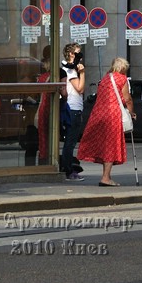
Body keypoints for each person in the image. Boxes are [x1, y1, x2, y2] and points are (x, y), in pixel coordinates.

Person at [77, 56, 134, 187]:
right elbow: (127, 99)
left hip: (99, 113)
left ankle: (106, 176)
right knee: (111, 146)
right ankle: (106, 177)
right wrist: (131, 113)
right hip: (112, 115)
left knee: (104, 145)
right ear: (122, 68)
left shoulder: (105, 78)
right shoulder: (122, 78)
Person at [60, 43, 86, 181]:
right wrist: (82, 73)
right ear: (71, 54)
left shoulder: (69, 68)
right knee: (70, 142)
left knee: (69, 142)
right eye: (77, 53)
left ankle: (68, 169)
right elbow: (80, 88)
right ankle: (68, 171)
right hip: (73, 108)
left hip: (73, 108)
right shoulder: (70, 70)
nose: (79, 56)